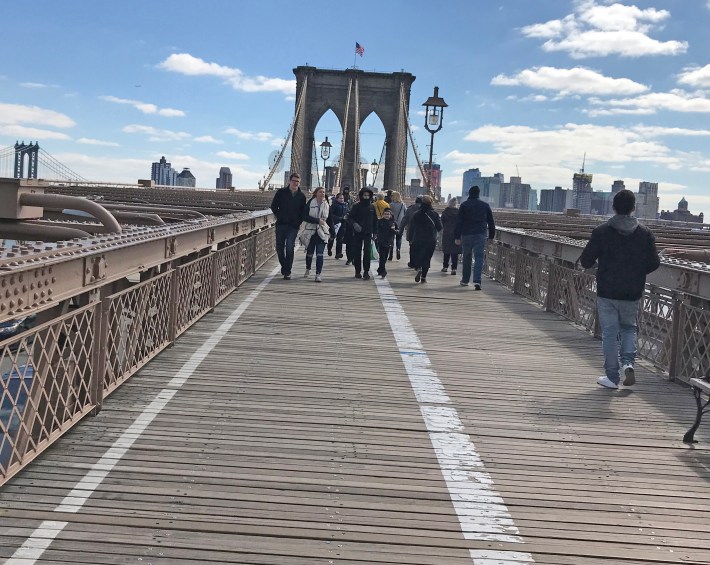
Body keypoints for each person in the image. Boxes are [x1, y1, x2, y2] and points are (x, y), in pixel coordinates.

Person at [579, 189, 660, 390]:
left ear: (614, 207)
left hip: (607, 289)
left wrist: (601, 265)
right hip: (632, 290)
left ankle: (612, 377)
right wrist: (638, 272)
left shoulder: (601, 232)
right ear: (633, 208)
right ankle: (628, 364)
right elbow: (654, 263)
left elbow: (586, 260)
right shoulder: (645, 234)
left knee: (609, 332)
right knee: (629, 328)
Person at [454, 186, 496, 290]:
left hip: (466, 234)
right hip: (480, 234)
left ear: (469, 193)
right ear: (478, 193)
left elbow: (459, 222)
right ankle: (477, 281)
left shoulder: (464, 205)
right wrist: (491, 236)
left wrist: (457, 236)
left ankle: (465, 280)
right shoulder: (485, 205)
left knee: (467, 257)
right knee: (479, 258)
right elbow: (491, 222)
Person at [270, 173, 306, 280]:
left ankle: (287, 271)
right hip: (281, 224)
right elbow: (273, 206)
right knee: (279, 248)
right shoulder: (281, 192)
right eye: (294, 181)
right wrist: (279, 216)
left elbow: (303, 212)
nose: (296, 183)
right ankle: (284, 266)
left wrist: (298, 222)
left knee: (290, 247)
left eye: (298, 182)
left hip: (293, 227)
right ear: (289, 181)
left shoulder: (301, 196)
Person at [300, 187, 332, 283]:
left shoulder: (327, 205)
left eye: (323, 192)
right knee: (310, 253)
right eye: (320, 192)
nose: (322, 193)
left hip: (322, 231)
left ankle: (318, 274)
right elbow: (304, 216)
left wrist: (333, 233)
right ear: (316, 193)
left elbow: (330, 219)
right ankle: (308, 268)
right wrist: (317, 220)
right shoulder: (310, 203)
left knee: (320, 253)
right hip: (311, 231)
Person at [409, 195, 442, 283]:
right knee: (427, 258)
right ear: (431, 202)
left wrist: (410, 238)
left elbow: (411, 227)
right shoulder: (434, 214)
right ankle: (423, 277)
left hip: (418, 238)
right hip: (430, 239)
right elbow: (439, 227)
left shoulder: (416, 214)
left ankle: (418, 268)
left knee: (418, 255)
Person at [348, 187, 377, 280]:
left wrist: (375, 232)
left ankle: (366, 272)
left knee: (367, 253)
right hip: (358, 232)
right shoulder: (356, 206)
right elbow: (350, 218)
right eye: (365, 195)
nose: (366, 197)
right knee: (357, 252)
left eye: (368, 195)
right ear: (361, 196)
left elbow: (375, 221)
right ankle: (357, 271)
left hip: (368, 232)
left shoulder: (372, 207)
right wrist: (355, 224)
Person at [376, 208, 398, 278]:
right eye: (385, 214)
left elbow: (396, 232)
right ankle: (383, 271)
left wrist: (393, 230)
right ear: (383, 215)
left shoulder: (393, 222)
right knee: (382, 257)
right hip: (381, 241)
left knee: (385, 257)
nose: (386, 215)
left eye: (388, 214)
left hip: (389, 241)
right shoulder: (380, 221)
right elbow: (376, 230)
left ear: (391, 215)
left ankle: (380, 269)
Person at [401, 195, 423, 268]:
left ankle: (412, 263)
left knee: (412, 248)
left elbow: (404, 220)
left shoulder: (410, 209)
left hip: (412, 232)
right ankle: (419, 263)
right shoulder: (425, 209)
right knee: (421, 248)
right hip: (423, 232)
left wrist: (400, 230)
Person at [441, 199, 461, 276]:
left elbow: (442, 222)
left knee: (446, 251)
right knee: (454, 252)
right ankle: (454, 268)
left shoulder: (445, 212)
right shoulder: (459, 213)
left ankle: (445, 267)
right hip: (456, 233)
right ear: (456, 204)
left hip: (447, 233)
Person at [328, 192, 348, 258]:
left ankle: (338, 253)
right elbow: (331, 215)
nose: (342, 199)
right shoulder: (334, 205)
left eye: (343, 198)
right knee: (332, 237)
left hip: (342, 224)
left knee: (340, 239)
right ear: (337, 199)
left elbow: (347, 212)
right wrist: (339, 218)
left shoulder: (345, 205)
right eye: (340, 198)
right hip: (335, 223)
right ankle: (329, 249)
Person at [388, 191, 407, 261]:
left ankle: (391, 254)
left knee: (391, 239)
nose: (391, 197)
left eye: (392, 195)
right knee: (399, 238)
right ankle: (398, 249)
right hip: (400, 224)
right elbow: (406, 213)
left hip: (392, 223)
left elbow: (389, 214)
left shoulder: (391, 204)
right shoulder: (403, 204)